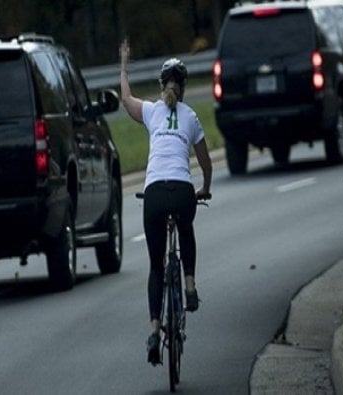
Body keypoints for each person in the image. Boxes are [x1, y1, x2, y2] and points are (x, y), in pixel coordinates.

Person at [118, 38, 213, 366]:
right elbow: (205, 162)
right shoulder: (191, 116)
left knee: (156, 265)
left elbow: (125, 99)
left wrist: (124, 66)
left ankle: (154, 331)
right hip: (183, 191)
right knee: (185, 230)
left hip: (155, 193)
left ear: (161, 86)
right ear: (184, 87)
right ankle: (189, 285)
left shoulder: (151, 111)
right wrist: (205, 188)